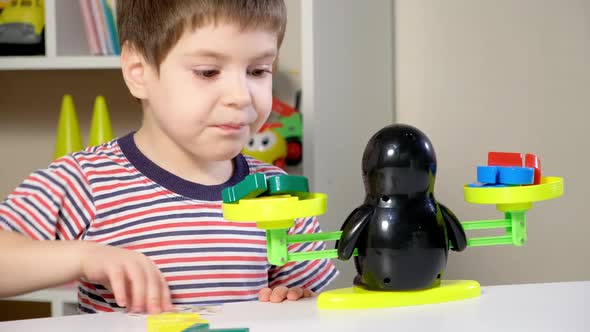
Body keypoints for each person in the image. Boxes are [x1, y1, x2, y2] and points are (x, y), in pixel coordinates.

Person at [0, 0, 338, 315]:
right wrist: (82, 257)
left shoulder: (276, 191)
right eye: (208, 72)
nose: (240, 96)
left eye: (258, 71)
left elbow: (307, 302)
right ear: (138, 71)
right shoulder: (86, 180)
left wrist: (296, 302)